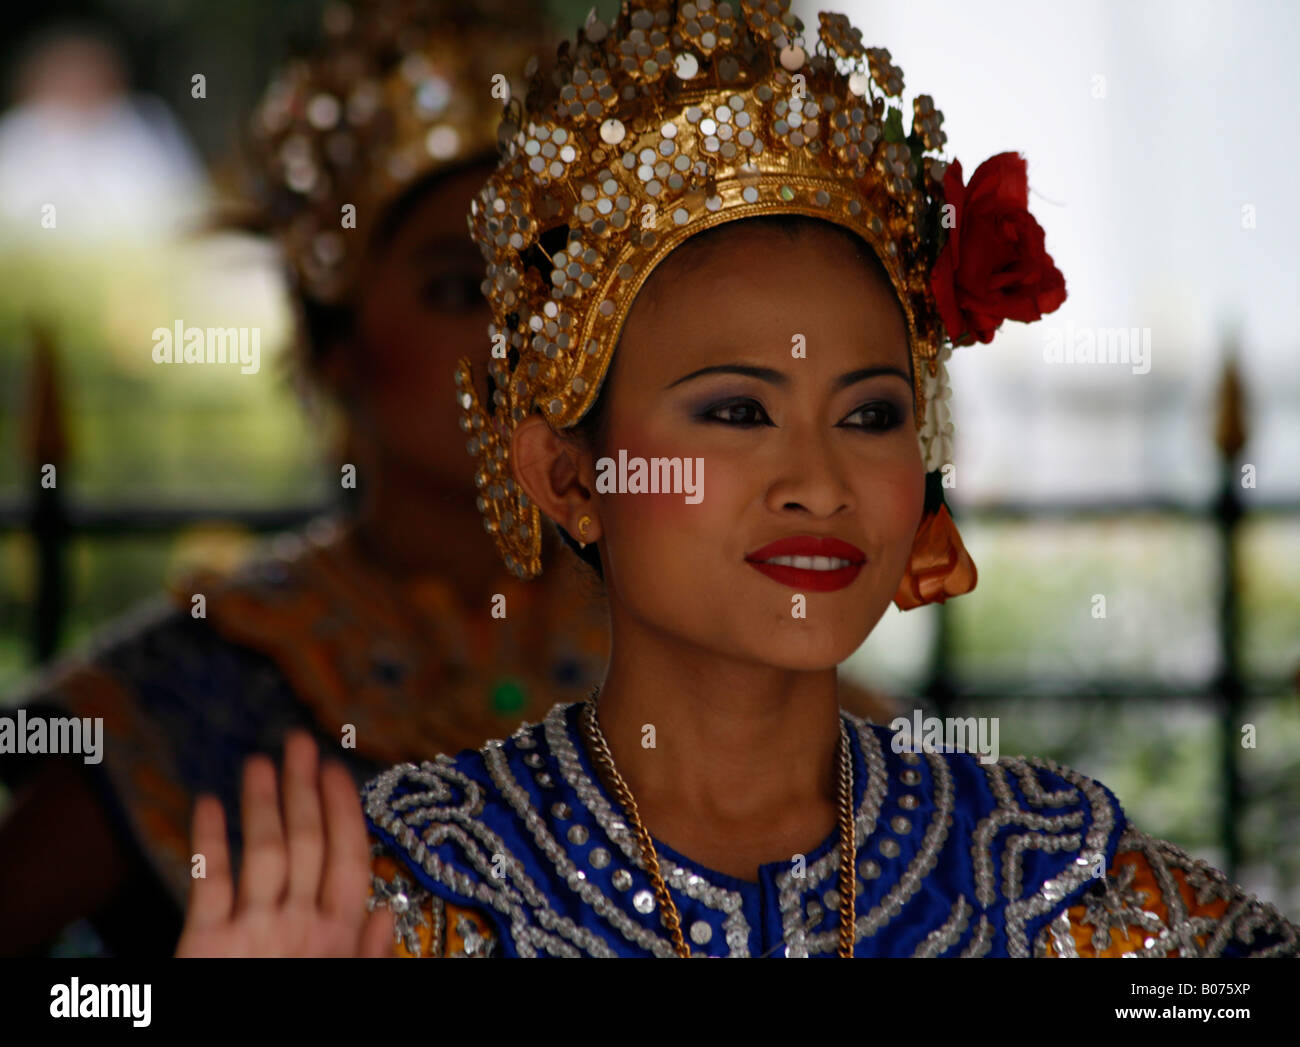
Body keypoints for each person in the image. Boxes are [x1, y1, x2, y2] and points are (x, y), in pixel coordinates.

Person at [175, 2, 1299, 959]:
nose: (817, 480)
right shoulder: (414, 892)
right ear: (568, 475)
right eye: (734, 412)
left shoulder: (1052, 878)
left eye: (869, 415)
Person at [0, 0, 604, 957]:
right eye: (457, 287)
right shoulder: (189, 687)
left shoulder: (696, 645)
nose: (514, 338)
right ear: (336, 353)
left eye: (545, 285)